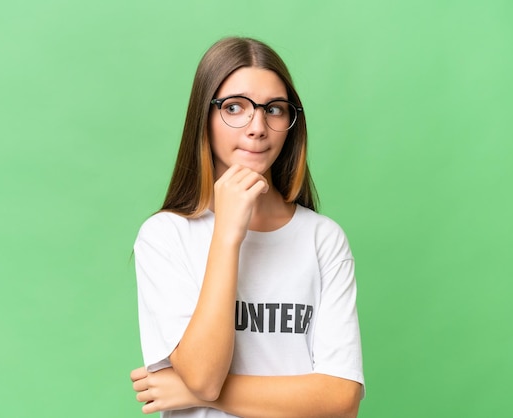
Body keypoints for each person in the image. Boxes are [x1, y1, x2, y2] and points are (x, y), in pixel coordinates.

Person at [131, 36, 364, 417]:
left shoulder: (323, 238)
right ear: (203, 117)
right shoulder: (165, 236)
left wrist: (195, 393)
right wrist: (227, 234)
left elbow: (341, 400)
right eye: (235, 107)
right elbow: (205, 375)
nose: (257, 127)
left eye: (273, 109)